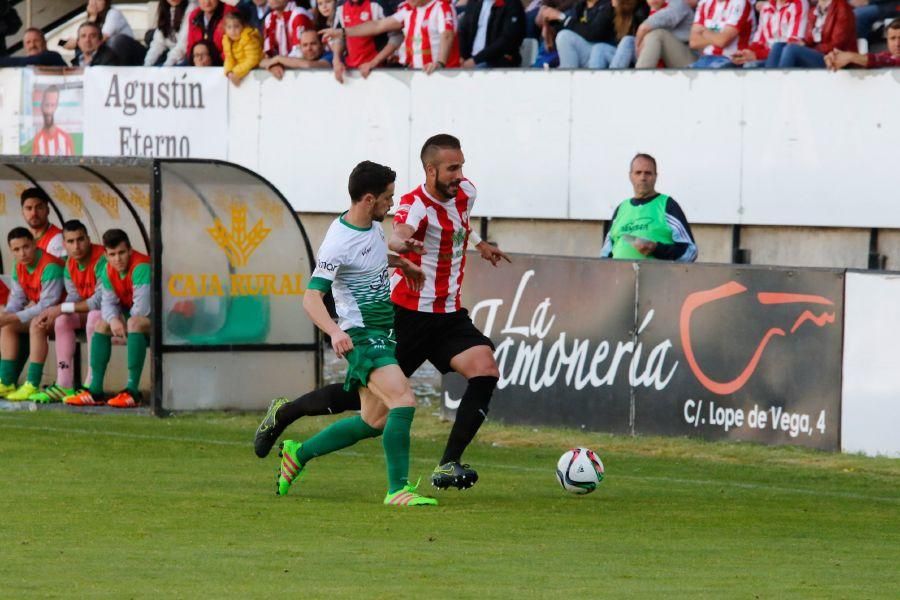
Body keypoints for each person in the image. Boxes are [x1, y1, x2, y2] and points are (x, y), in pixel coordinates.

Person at [255, 134, 511, 491]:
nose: (459, 174)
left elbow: (457, 227)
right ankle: (288, 417)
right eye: (452, 168)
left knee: (484, 368)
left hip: (449, 314)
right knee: (371, 410)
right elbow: (396, 232)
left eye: (461, 166)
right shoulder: (407, 207)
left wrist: (479, 244)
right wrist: (400, 247)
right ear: (430, 170)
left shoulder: (465, 193)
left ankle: (447, 463)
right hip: (404, 315)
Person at [272, 160, 438, 507]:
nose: (391, 205)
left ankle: (297, 455)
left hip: (383, 332)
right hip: (360, 336)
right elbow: (311, 297)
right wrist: (334, 331)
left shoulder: (372, 228)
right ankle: (398, 490)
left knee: (373, 421)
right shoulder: (337, 243)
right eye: (388, 198)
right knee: (403, 401)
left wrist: (401, 262)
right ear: (368, 198)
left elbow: (372, 259)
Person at [64, 230, 150, 408]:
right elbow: (108, 302)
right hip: (138, 319)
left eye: (121, 253)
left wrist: (122, 326)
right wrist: (113, 320)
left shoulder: (141, 267)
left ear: (130, 251)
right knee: (102, 324)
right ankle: (95, 390)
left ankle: (132, 391)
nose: (117, 259)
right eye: (112, 254)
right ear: (106, 255)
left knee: (134, 322)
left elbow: (143, 310)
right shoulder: (108, 270)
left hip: (166, 320)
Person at [28, 221, 106, 404]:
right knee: (62, 321)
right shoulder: (70, 264)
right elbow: (74, 295)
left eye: (80, 240)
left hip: (116, 313)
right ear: (64, 244)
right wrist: (54, 312)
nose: (76, 246)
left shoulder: (102, 258)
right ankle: (64, 384)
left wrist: (60, 307)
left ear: (88, 239)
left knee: (94, 317)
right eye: (70, 241)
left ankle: (91, 385)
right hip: (94, 312)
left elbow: (100, 300)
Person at [0, 228, 64, 399]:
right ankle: (6, 382)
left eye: (26, 247)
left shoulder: (50, 266)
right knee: (8, 325)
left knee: (36, 323)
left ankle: (32, 384)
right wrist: (5, 316)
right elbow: (16, 299)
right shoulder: (18, 266)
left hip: (64, 315)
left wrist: (11, 316)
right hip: (46, 315)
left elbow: (47, 305)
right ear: (11, 251)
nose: (22, 253)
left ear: (35, 244)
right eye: (16, 249)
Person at [600, 153, 698, 262]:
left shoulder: (667, 205)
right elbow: (605, 255)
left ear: (655, 176)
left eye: (648, 173)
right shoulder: (621, 209)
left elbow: (690, 252)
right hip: (619, 277)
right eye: (638, 173)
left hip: (658, 277)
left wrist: (656, 248)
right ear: (630, 176)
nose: (643, 177)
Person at [321, 0, 461, 72]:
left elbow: (447, 35)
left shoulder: (442, 6)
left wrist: (440, 63)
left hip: (442, 74)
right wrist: (343, 32)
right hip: (419, 73)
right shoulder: (408, 10)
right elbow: (378, 26)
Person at [541, 0, 642, 69]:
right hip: (599, 54)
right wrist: (547, 26)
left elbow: (594, 32)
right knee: (564, 36)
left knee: (603, 47)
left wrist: (561, 17)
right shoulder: (580, 6)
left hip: (622, 56)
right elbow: (570, 27)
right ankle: (568, 78)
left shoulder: (606, 6)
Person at [764, 0, 855, 67]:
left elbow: (837, 44)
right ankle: (770, 86)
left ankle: (779, 87)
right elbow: (810, 38)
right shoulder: (814, 10)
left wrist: (810, 48)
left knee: (791, 49)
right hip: (818, 53)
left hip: (832, 58)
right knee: (778, 46)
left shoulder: (842, 7)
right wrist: (803, 42)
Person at [329, 0, 403, 83]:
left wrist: (374, 62)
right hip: (349, 71)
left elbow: (397, 37)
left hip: (379, 70)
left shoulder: (378, 3)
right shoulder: (340, 5)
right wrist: (336, 60)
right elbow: (338, 36)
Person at [731, 0, 807, 67]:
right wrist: (745, 53)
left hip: (787, 59)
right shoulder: (766, 7)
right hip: (768, 57)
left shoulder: (799, 3)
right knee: (730, 67)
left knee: (777, 47)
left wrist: (756, 55)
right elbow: (759, 42)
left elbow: (791, 45)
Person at [458, 0, 527, 67]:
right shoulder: (474, 2)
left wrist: (476, 60)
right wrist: (463, 57)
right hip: (470, 60)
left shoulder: (512, 4)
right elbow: (464, 30)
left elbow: (507, 39)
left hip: (497, 61)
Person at [688, 0, 753, 68]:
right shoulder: (704, 2)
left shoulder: (740, 2)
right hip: (705, 58)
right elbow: (693, 42)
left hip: (731, 60)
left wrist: (703, 31)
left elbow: (723, 41)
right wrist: (718, 37)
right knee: (684, 74)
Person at [634, 0, 697, 68]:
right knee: (628, 40)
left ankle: (641, 77)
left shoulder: (678, 3)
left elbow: (644, 27)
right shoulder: (656, 7)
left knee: (657, 35)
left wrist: (637, 45)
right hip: (667, 57)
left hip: (690, 59)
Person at [826, 17, 900, 68]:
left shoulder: (885, 59)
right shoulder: (885, 55)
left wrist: (851, 57)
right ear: (887, 40)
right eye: (892, 38)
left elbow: (888, 62)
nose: (897, 44)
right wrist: (836, 59)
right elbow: (870, 61)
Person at [145, 0, 197, 66]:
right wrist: (147, 65)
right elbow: (158, 43)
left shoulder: (192, 7)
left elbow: (183, 45)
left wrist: (167, 66)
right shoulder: (165, 8)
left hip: (185, 57)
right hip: (171, 54)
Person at [260, 28, 330, 77]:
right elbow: (261, 62)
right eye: (305, 45)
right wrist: (273, 65)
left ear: (322, 45)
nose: (309, 48)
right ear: (300, 47)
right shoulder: (300, 57)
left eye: (313, 44)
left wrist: (278, 59)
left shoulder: (331, 56)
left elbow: (309, 65)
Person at [187, 0, 237, 65]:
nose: (207, 2)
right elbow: (190, 46)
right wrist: (195, 60)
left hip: (223, 63)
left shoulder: (230, 13)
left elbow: (234, 46)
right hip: (198, 62)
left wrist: (213, 61)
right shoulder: (194, 15)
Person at [30, 87, 74, 158]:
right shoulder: (38, 140)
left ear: (57, 107)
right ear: (41, 106)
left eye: (53, 105)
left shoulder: (66, 139)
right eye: (47, 105)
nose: (49, 110)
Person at [20, 188, 64, 258]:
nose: (34, 213)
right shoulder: (22, 238)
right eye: (29, 208)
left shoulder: (57, 238)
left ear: (47, 210)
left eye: (39, 208)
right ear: (22, 212)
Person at [223, 10, 263, 86]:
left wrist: (235, 72)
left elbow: (253, 59)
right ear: (225, 28)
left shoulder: (248, 38)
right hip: (241, 72)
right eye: (229, 27)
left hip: (256, 72)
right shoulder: (227, 40)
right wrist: (228, 71)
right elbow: (229, 58)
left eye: (236, 26)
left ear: (243, 26)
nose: (233, 30)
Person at [0, 27, 67, 67]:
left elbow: (36, 60)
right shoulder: (25, 65)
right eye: (28, 42)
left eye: (36, 41)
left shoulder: (53, 56)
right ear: (24, 46)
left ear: (45, 43)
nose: (32, 45)